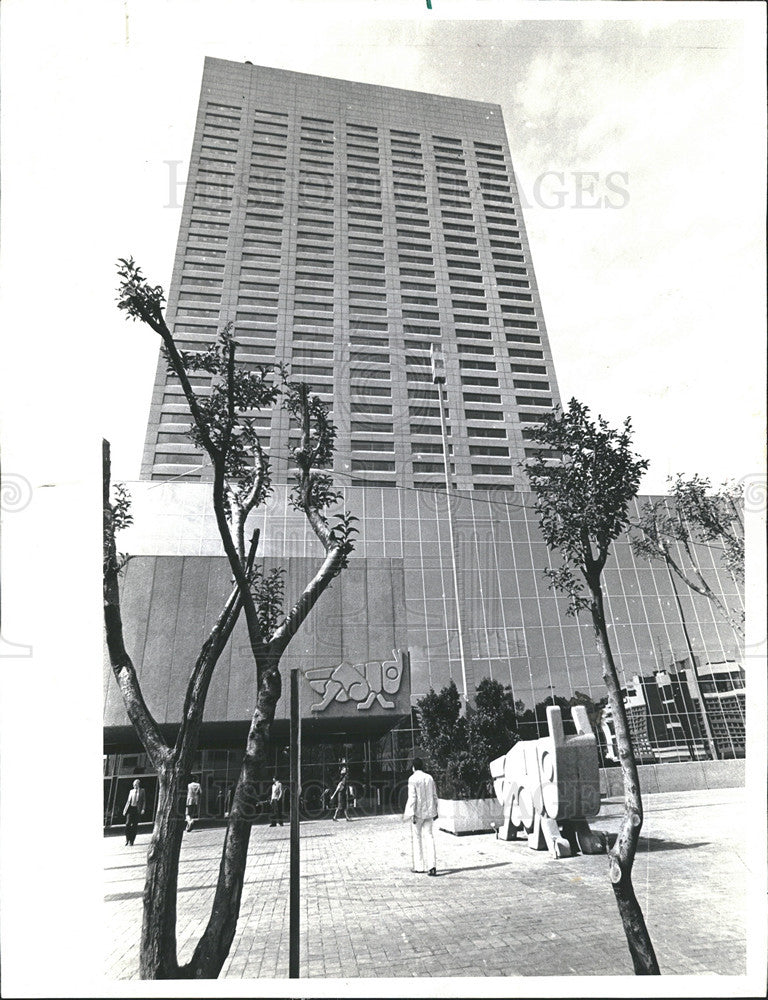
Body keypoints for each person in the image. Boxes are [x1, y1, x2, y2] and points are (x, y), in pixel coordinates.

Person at [403, 757, 439, 876]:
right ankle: (432, 866)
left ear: (413, 767)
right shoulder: (429, 777)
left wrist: (411, 813)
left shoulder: (412, 779)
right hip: (429, 812)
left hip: (418, 813)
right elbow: (434, 795)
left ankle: (419, 866)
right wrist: (436, 810)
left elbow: (412, 797)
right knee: (429, 837)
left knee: (417, 838)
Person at [123, 779, 146, 846]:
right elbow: (128, 801)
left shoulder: (142, 791)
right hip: (130, 809)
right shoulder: (131, 791)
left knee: (134, 825)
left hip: (137, 809)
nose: (134, 786)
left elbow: (144, 801)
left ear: (138, 785)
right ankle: (127, 839)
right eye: (134, 785)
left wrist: (143, 809)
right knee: (127, 824)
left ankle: (132, 841)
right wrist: (125, 810)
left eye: (136, 784)